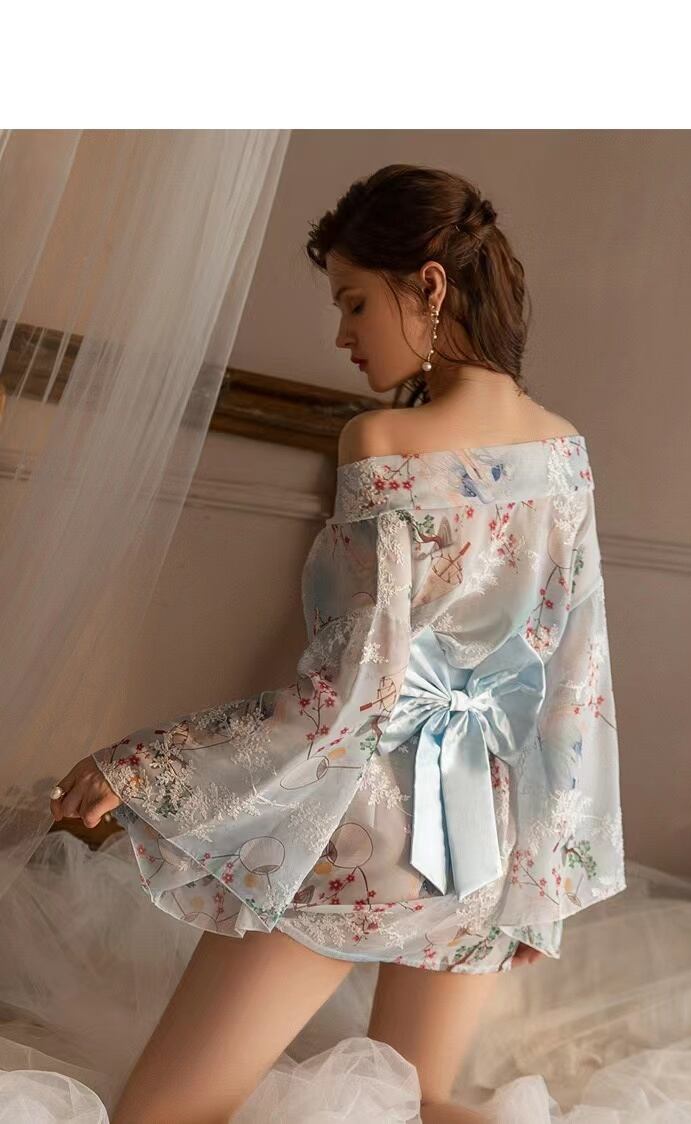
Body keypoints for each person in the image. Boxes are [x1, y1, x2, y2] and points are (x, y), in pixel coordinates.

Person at [49, 164, 626, 1124]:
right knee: (418, 1103)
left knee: (157, 1117)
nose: (342, 335)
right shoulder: (565, 450)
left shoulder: (383, 443)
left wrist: (142, 769)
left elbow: (352, 697)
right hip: (485, 843)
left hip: (372, 831)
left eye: (354, 302)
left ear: (430, 286)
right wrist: (546, 881)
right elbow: (578, 688)